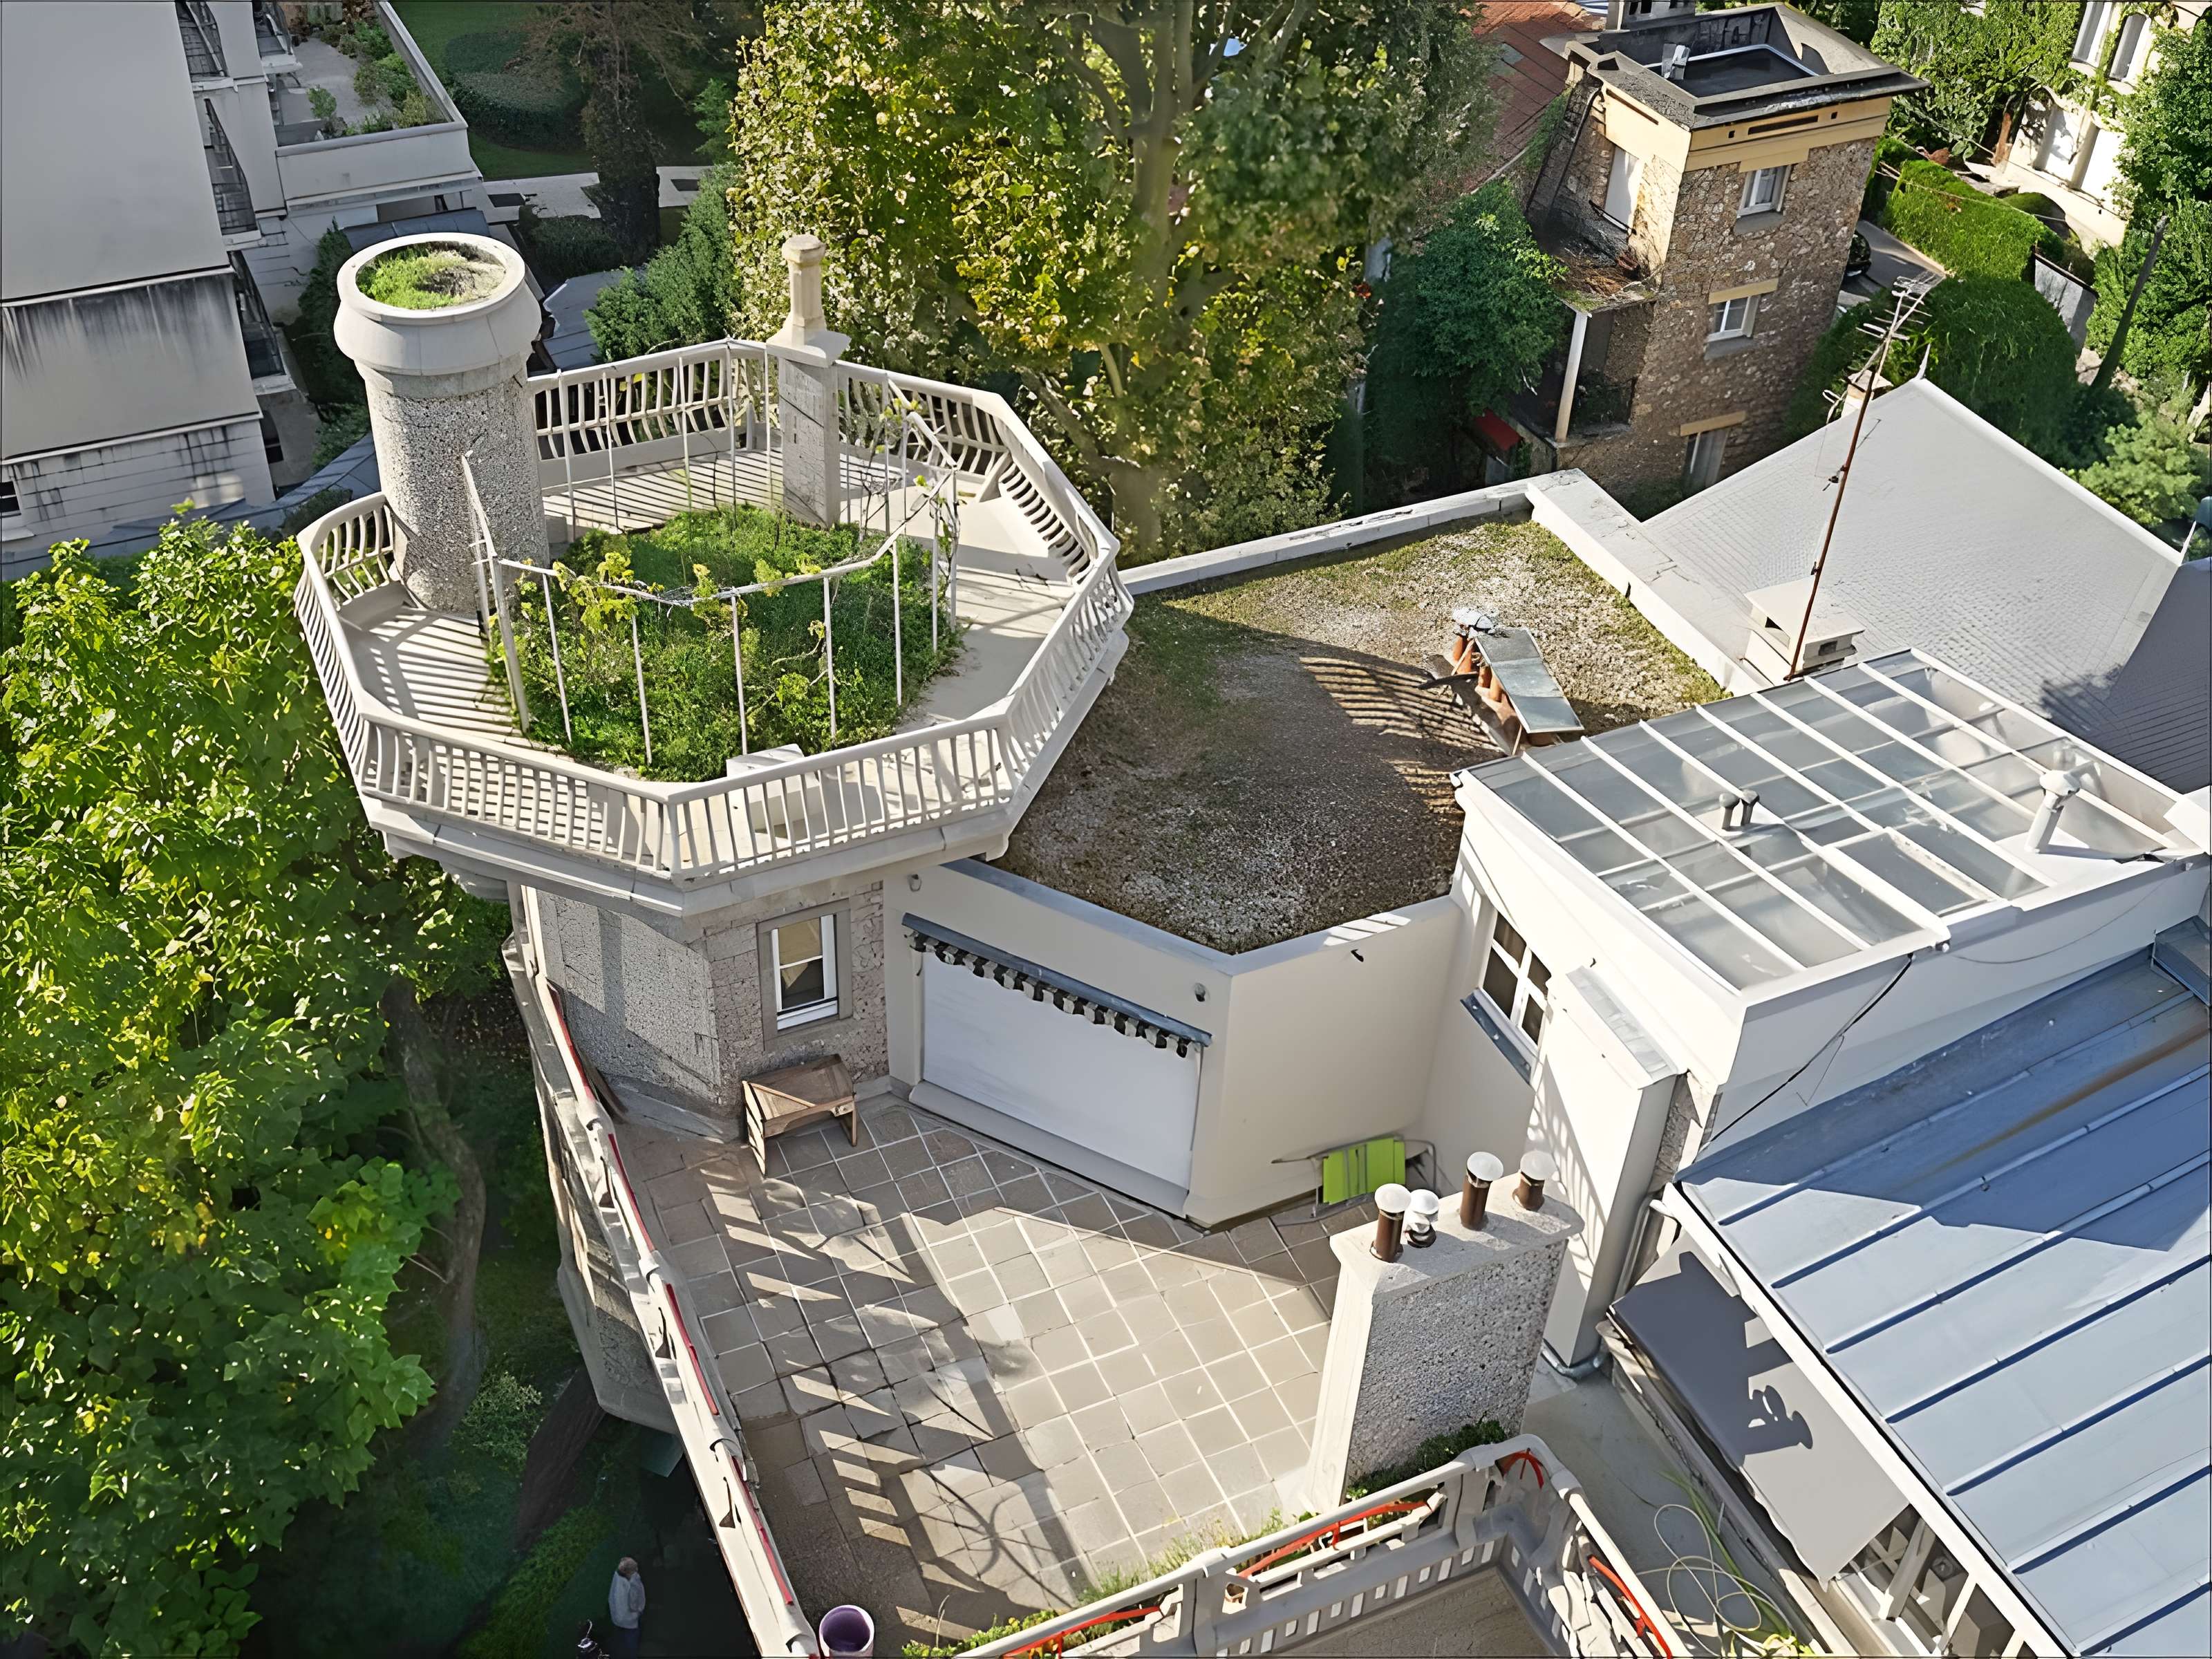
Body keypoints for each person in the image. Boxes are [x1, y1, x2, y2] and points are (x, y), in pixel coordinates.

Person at [606, 1557, 646, 1659]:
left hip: (632, 1619)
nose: (637, 1571)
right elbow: (622, 1616)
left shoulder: (627, 1578)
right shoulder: (620, 1592)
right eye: (634, 1570)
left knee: (631, 1643)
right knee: (631, 1648)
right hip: (629, 1625)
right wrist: (637, 1614)